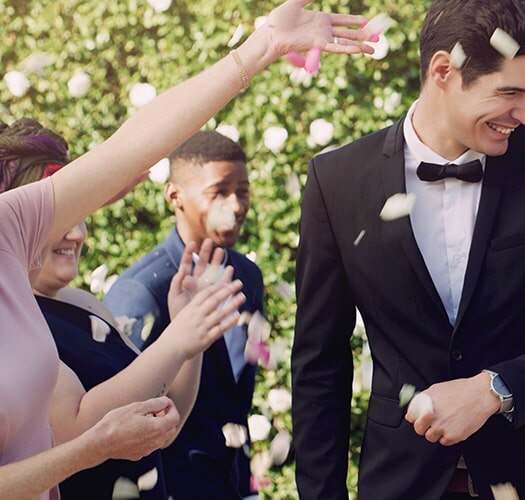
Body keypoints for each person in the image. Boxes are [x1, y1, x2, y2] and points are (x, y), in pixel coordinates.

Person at [0, 2, 372, 497]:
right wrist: (91, 447)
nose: (74, 228)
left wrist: (262, 47)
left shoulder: (11, 229)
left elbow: (133, 144)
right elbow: (76, 430)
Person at [291, 1, 525, 498]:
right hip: (400, 484)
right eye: (510, 93)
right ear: (444, 71)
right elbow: (320, 363)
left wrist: (497, 388)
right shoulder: (336, 181)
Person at [5, 120, 241, 500]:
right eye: (60, 221)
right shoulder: (16, 320)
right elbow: (75, 431)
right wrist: (176, 343)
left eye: (78, 217)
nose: (77, 234)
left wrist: (189, 341)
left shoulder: (83, 303)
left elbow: (163, 422)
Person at [105, 131, 264, 499]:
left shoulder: (247, 275)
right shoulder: (143, 289)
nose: (237, 205)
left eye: (243, 190)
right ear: (175, 196)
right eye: (219, 192)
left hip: (235, 485)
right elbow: (120, 416)